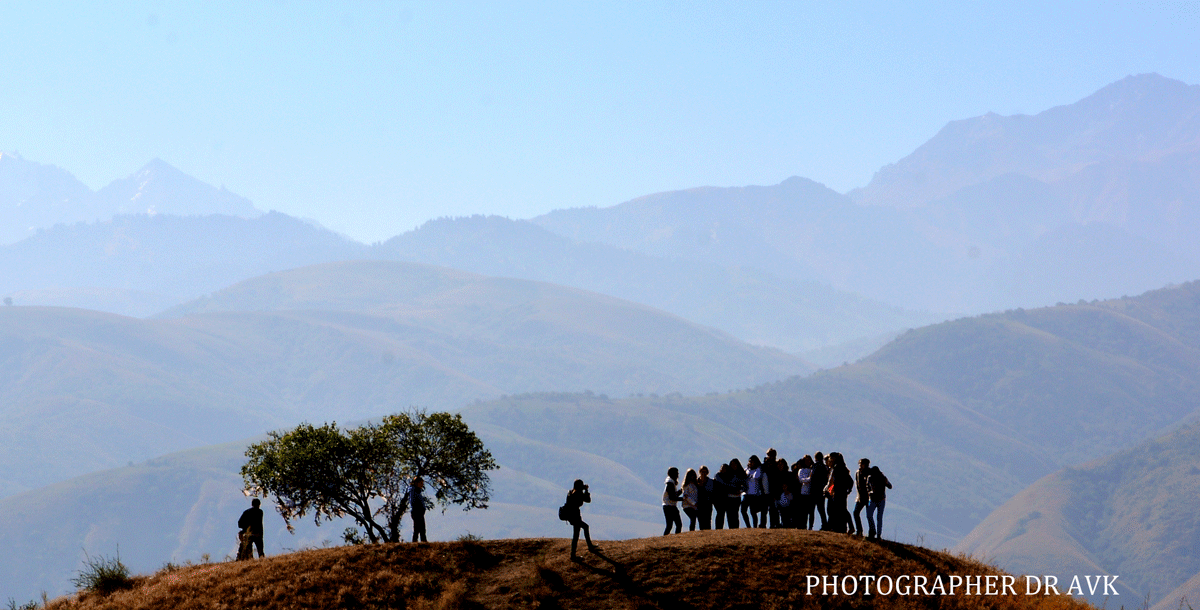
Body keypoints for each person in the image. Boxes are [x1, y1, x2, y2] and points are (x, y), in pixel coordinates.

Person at [561, 479, 598, 560]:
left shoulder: (570, 492)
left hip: (572, 517)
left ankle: (574, 554)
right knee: (584, 528)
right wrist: (586, 490)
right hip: (575, 517)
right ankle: (578, 553)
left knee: (577, 534)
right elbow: (588, 500)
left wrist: (583, 490)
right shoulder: (578, 494)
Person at [866, 465, 892, 539]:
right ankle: (876, 533)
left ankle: (876, 533)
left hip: (878, 499)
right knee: (876, 517)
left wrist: (870, 492)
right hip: (879, 499)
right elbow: (890, 486)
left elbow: (890, 486)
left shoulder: (879, 478)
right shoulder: (876, 477)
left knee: (873, 516)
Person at [742, 455, 768, 528]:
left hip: (754, 494)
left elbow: (756, 476)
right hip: (746, 493)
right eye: (750, 461)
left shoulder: (758, 470)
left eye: (752, 461)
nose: (751, 463)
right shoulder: (746, 470)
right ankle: (748, 526)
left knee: (753, 512)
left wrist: (758, 468)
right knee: (743, 510)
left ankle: (755, 526)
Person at [405, 476, 428, 542]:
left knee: (421, 529)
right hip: (417, 512)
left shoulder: (417, 491)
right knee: (418, 529)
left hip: (419, 512)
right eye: (421, 483)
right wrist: (418, 510)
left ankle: (422, 542)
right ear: (416, 483)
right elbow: (413, 502)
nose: (422, 484)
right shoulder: (413, 491)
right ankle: (416, 543)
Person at [810, 451, 829, 530]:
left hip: (814, 490)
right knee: (821, 510)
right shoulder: (825, 467)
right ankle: (824, 525)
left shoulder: (815, 466)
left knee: (811, 510)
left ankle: (810, 526)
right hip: (822, 491)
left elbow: (813, 477)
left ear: (815, 458)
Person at [795, 457, 815, 530]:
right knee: (803, 511)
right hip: (803, 492)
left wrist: (807, 479)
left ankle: (810, 526)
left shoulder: (812, 470)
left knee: (810, 511)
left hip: (810, 492)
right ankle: (803, 525)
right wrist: (809, 478)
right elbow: (801, 480)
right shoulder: (801, 470)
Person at [662, 467, 684, 535]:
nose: (678, 475)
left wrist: (681, 491)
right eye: (676, 473)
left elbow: (673, 495)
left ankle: (664, 539)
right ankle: (676, 538)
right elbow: (672, 497)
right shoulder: (670, 483)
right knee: (678, 525)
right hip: (670, 506)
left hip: (667, 506)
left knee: (669, 525)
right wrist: (683, 499)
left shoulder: (670, 482)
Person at [853, 458, 871, 536]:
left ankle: (872, 532)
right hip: (860, 497)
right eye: (859, 463)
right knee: (855, 512)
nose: (860, 465)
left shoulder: (870, 473)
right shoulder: (857, 473)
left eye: (861, 463)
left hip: (868, 497)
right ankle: (859, 530)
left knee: (869, 515)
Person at [696, 465, 714, 530]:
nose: (703, 473)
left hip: (708, 503)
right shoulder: (696, 481)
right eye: (702, 471)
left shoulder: (711, 482)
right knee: (701, 520)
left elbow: (712, 492)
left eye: (705, 471)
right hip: (699, 504)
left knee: (708, 520)